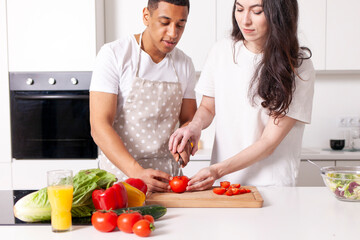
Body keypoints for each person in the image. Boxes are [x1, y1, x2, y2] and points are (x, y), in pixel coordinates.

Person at [169, 0, 315, 190]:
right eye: (239, 9)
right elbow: (207, 107)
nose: (244, 20)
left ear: (279, 14)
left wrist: (217, 170)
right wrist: (194, 127)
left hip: (272, 185)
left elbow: (269, 142)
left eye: (256, 11)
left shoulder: (298, 66)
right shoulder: (221, 51)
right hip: (224, 184)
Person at [90, 0, 196, 192]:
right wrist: (136, 172)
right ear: (146, 16)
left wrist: (186, 140)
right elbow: (99, 126)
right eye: (165, 22)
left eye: (180, 25)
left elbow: (189, 119)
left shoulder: (184, 63)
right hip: (120, 181)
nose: (173, 33)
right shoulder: (114, 55)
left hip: (167, 182)